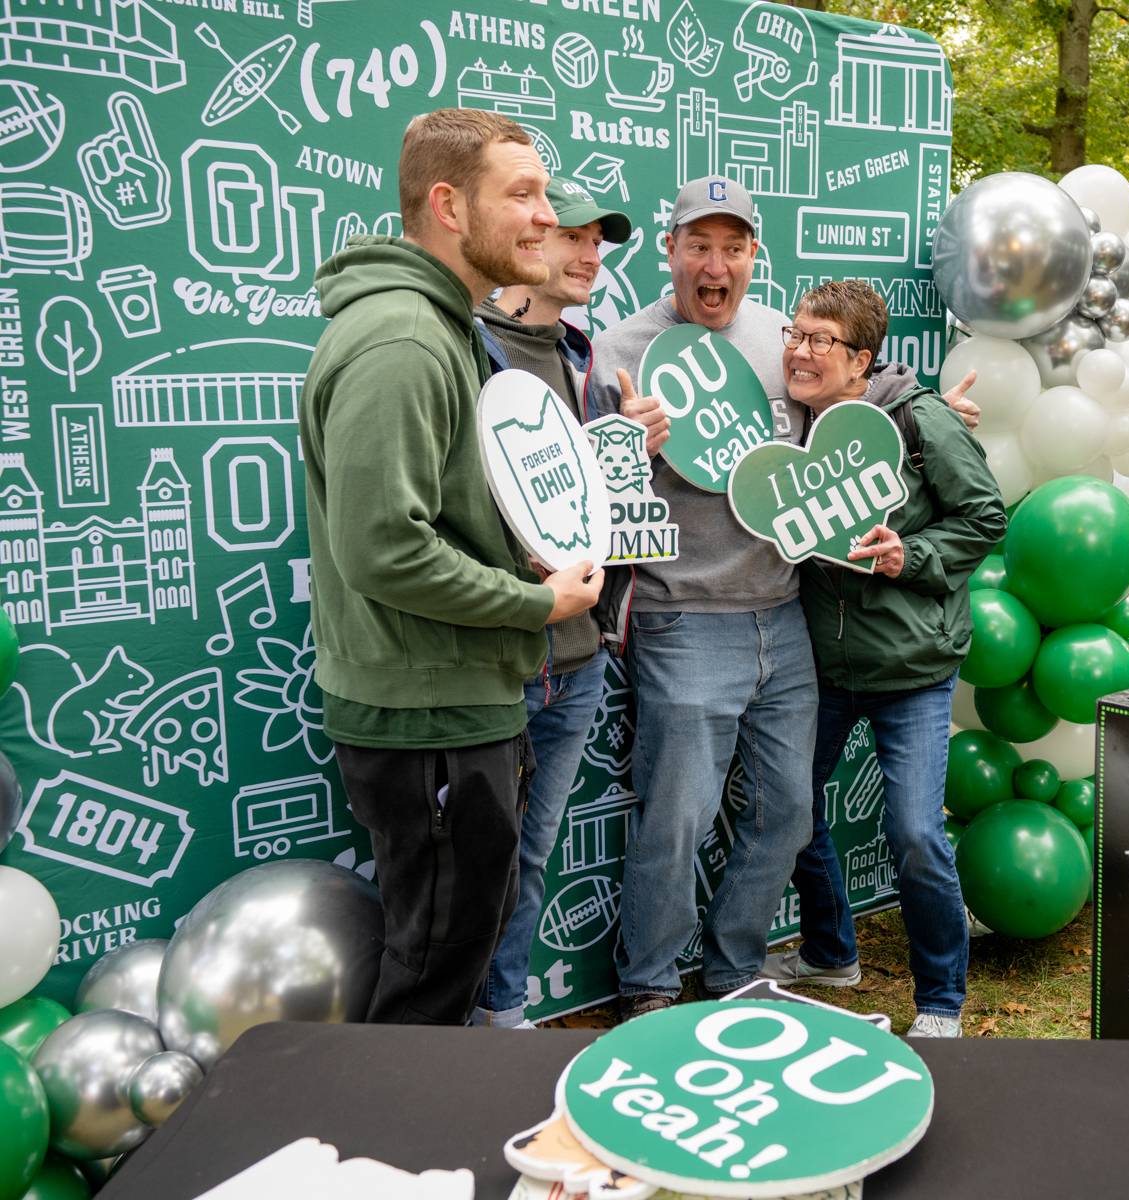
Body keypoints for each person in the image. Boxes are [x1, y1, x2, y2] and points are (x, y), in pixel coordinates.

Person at [300, 109, 603, 1026]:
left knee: (453, 953)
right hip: (426, 715)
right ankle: (395, 1161)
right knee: (431, 980)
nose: (548, 217)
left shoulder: (439, 326)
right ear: (447, 206)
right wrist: (534, 602)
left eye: (546, 193)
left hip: (457, 700)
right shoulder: (402, 341)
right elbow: (384, 546)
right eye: (524, 193)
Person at [589, 176, 818, 1018]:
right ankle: (647, 985)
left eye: (733, 247)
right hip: (683, 617)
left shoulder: (781, 337)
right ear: (671, 251)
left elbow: (840, 421)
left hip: (782, 612)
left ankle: (734, 968)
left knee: (789, 809)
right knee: (677, 820)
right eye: (699, 246)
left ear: (754, 255)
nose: (715, 265)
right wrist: (626, 446)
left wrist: (927, 411)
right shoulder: (621, 350)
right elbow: (590, 503)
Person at [759, 280, 1007, 1038]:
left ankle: (940, 1001)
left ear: (861, 358)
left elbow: (985, 516)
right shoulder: (790, 427)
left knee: (913, 833)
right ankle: (832, 952)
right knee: (791, 810)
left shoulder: (919, 416)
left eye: (818, 340)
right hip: (826, 667)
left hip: (913, 669)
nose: (799, 351)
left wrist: (912, 555)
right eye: (793, 335)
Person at [469, 177, 633, 1029]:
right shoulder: (466, 349)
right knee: (473, 857)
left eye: (598, 241)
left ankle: (503, 1012)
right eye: (572, 235)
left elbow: (586, 504)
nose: (588, 254)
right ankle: (452, 1027)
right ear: (528, 240)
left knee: (532, 852)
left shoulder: (584, 359)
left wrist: (630, 444)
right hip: (498, 661)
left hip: (578, 663)